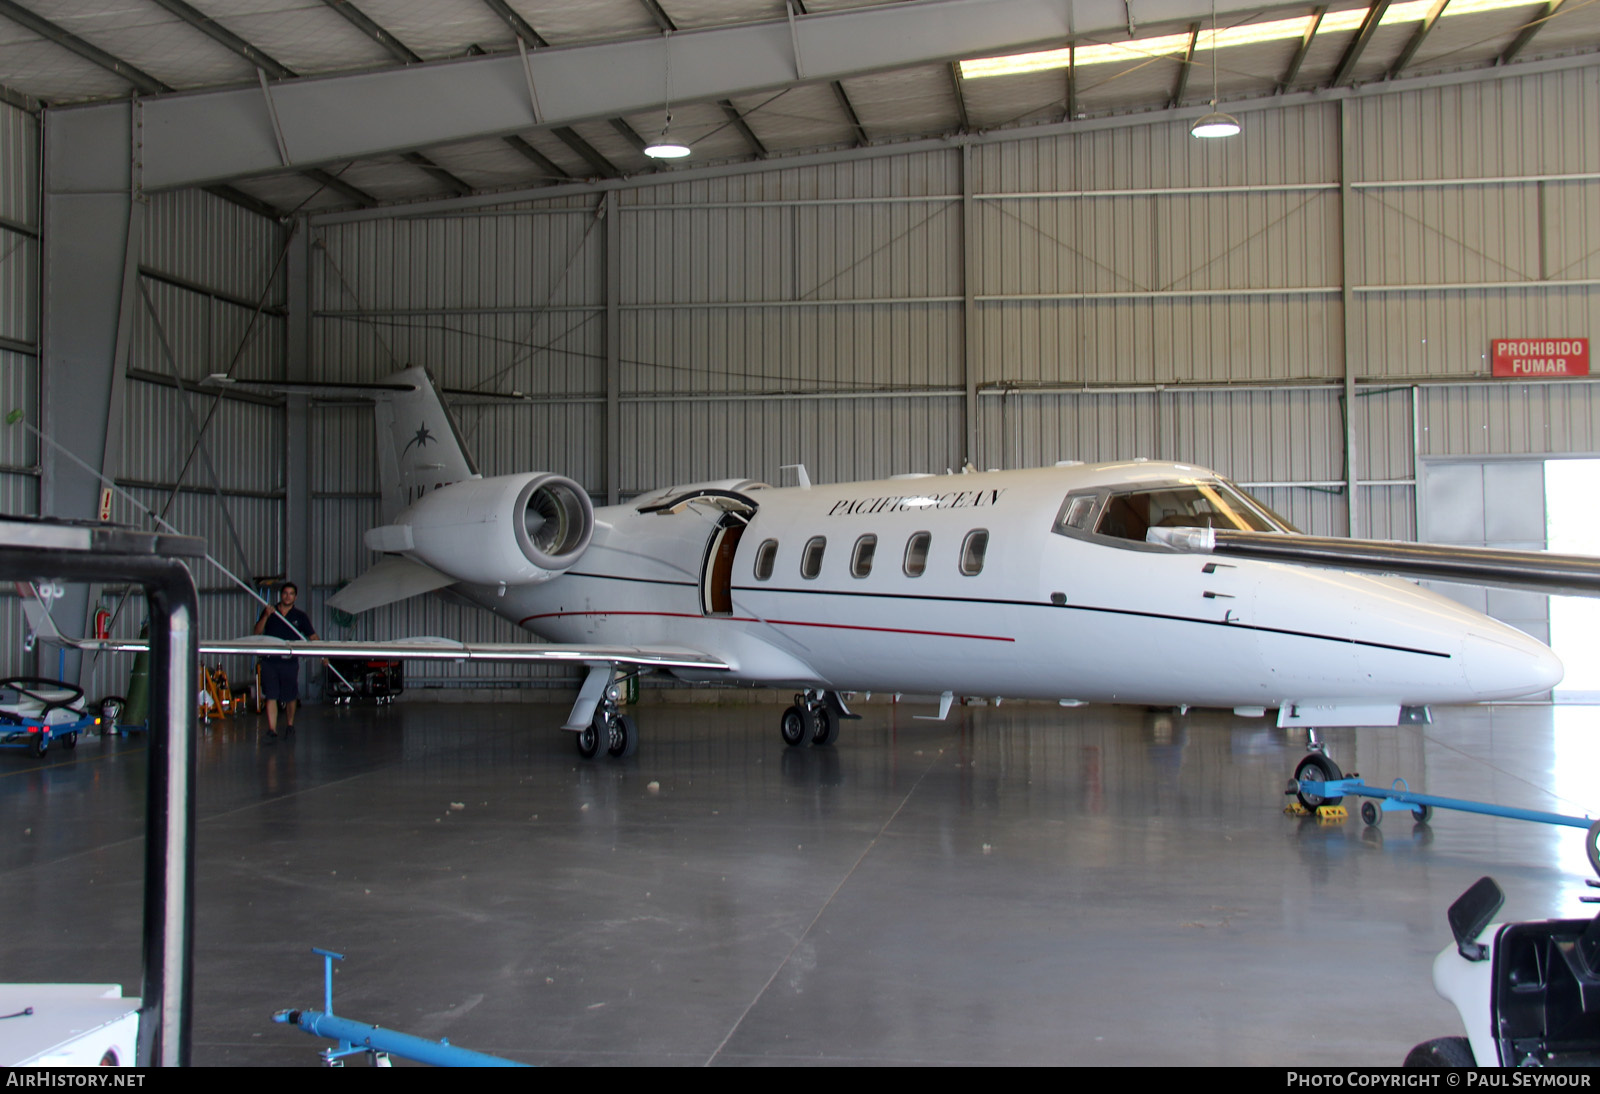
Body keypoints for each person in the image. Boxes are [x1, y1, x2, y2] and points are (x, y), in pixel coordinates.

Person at [253, 582, 318, 739]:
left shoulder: (300, 617)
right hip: (270, 660)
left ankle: (289, 724)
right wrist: (267, 615)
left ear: (295, 597)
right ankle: (272, 729)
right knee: (271, 695)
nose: (287, 596)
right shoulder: (270, 612)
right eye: (285, 593)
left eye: (291, 594)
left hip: (289, 661)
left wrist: (323, 654)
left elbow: (313, 636)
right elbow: (257, 632)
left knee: (290, 696)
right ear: (281, 595)